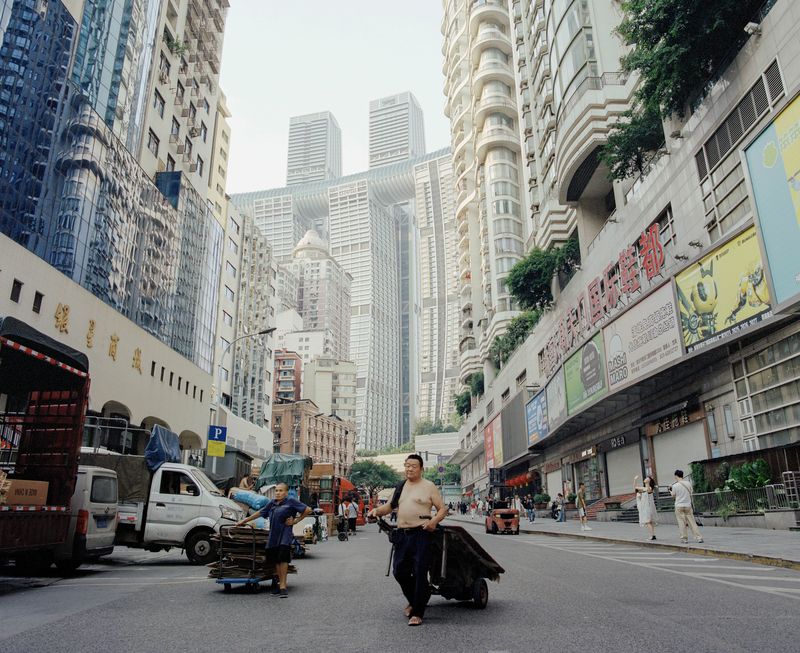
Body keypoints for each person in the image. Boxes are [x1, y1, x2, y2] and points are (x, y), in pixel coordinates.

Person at [368, 454, 447, 627]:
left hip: (422, 534)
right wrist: (375, 511)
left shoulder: (428, 486)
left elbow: (442, 509)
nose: (409, 469)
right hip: (403, 535)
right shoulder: (400, 486)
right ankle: (416, 598)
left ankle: (417, 612)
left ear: (421, 469)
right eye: (407, 465)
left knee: (420, 572)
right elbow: (388, 507)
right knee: (399, 571)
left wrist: (433, 522)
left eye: (413, 466)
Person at [235, 482, 311, 598]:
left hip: (285, 535)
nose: (278, 493)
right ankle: (279, 584)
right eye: (276, 490)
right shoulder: (272, 503)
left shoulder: (291, 501)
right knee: (276, 561)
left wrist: (295, 521)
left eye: (281, 491)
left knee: (283, 559)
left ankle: (283, 587)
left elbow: (307, 510)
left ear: (286, 493)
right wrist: (244, 521)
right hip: (273, 536)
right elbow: (260, 513)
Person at [670, 469, 703, 544]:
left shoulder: (675, 485)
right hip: (688, 505)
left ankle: (684, 539)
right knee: (692, 522)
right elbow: (691, 492)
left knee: (681, 522)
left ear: (675, 476)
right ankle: (699, 538)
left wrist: (670, 490)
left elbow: (673, 495)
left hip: (679, 506)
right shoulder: (688, 483)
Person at [634, 474, 658, 540]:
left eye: (647, 478)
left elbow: (648, 490)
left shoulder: (650, 488)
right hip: (646, 506)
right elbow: (635, 487)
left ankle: (652, 535)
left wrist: (647, 482)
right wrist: (635, 480)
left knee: (648, 522)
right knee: (649, 522)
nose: (645, 479)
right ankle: (653, 535)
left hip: (649, 506)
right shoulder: (644, 488)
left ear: (649, 481)